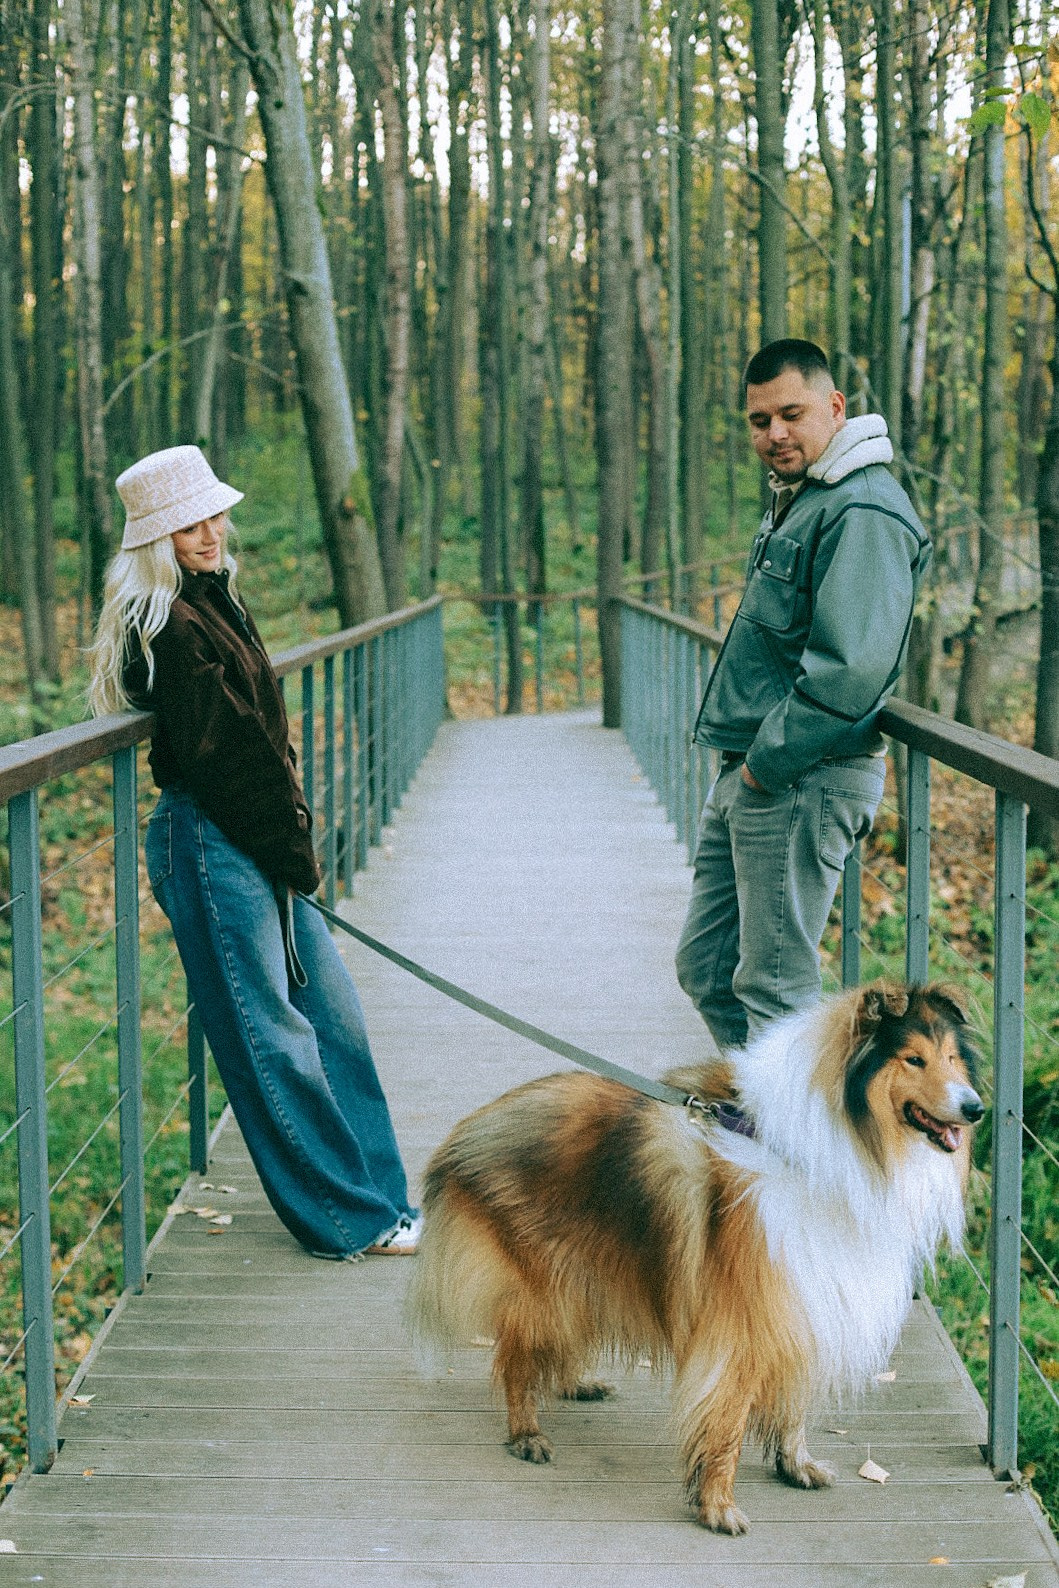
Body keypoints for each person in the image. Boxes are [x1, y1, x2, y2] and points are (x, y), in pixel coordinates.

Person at [89, 444, 420, 1259]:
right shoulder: (168, 625)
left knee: (334, 1022)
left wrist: (288, 847)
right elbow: (225, 756)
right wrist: (290, 853)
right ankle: (345, 1219)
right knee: (271, 1037)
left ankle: (382, 1199)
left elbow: (257, 741)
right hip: (213, 842)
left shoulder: (214, 601)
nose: (210, 533)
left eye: (213, 516)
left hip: (257, 836)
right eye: (188, 525)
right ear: (155, 541)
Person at [675, 339, 931, 1052]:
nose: (774, 434)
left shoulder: (863, 508)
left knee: (775, 988)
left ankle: (791, 1123)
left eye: (791, 414)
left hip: (802, 776)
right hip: (757, 773)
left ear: (834, 406)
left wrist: (766, 764)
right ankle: (763, 1105)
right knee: (706, 969)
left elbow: (851, 669)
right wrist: (748, 768)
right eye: (759, 421)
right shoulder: (808, 498)